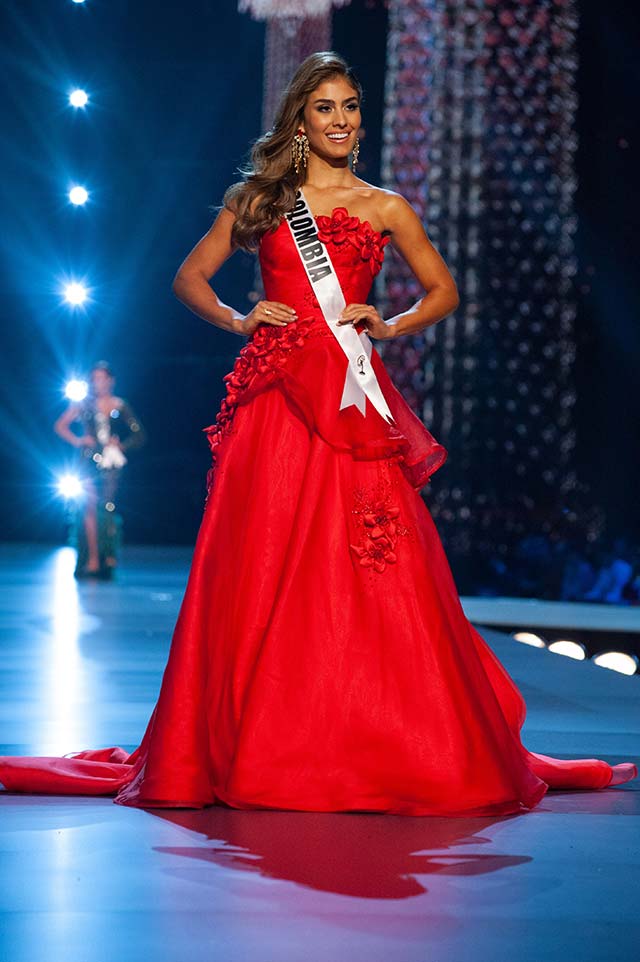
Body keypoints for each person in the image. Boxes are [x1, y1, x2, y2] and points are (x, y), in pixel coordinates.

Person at [0, 53, 635, 814]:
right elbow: (187, 277)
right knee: (264, 561)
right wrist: (240, 318)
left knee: (372, 569)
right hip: (273, 401)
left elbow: (443, 289)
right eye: (327, 108)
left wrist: (390, 322)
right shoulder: (260, 199)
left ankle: (372, 734)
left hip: (350, 400)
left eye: (352, 107)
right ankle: (259, 734)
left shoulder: (385, 206)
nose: (342, 121)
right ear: (300, 118)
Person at [54, 361, 146, 579]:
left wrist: (121, 445)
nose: (98, 383)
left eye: (102, 378)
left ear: (111, 381)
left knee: (108, 507)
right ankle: (92, 559)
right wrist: (78, 440)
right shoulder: (83, 405)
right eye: (94, 379)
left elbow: (139, 434)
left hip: (111, 462)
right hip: (88, 460)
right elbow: (60, 425)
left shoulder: (119, 405)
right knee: (88, 508)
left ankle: (109, 556)